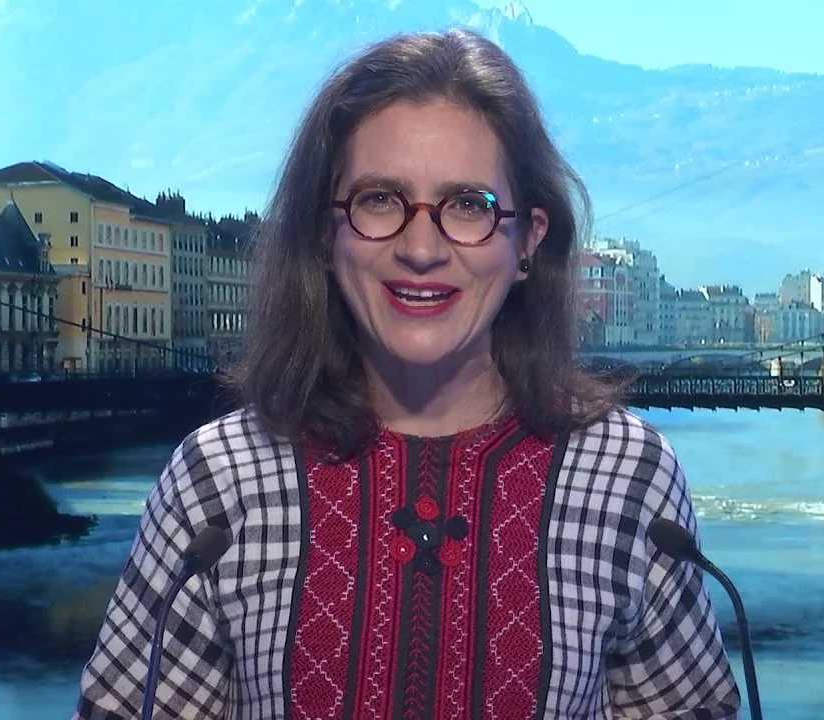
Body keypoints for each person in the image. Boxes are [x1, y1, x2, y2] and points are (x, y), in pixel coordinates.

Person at [73, 28, 741, 719]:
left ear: (528, 241)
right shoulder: (219, 481)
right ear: (324, 234)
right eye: (379, 200)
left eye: (469, 206)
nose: (421, 248)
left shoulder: (627, 475)